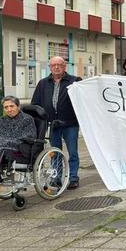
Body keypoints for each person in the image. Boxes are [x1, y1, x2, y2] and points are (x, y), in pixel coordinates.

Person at [31, 57, 82, 189]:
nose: (57, 67)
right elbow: (35, 104)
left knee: (72, 152)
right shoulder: (43, 83)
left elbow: (83, 101)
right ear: (50, 67)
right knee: (55, 152)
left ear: (65, 66)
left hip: (70, 123)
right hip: (52, 124)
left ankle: (73, 178)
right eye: (54, 65)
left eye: (60, 65)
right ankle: (56, 177)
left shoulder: (74, 81)